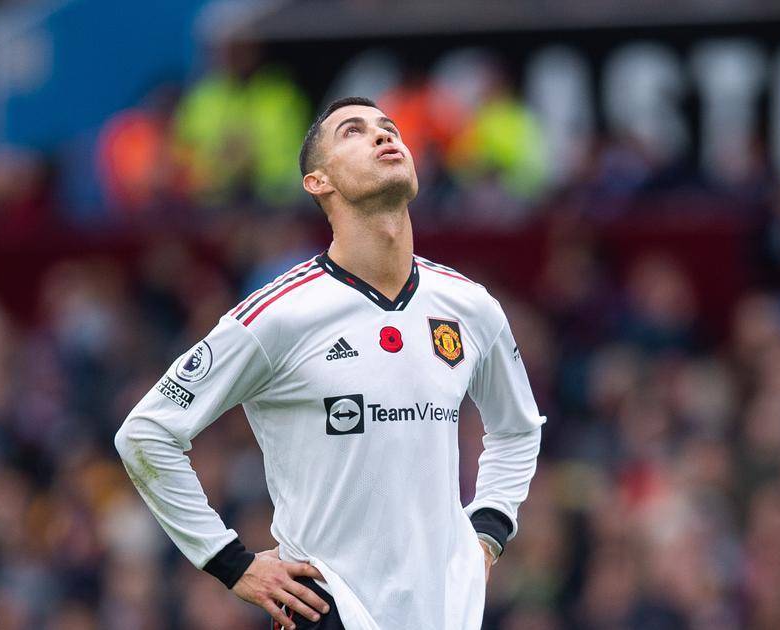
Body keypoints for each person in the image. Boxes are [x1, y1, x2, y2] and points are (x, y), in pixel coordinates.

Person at [114, 96, 546, 629]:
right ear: (318, 182)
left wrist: (489, 530)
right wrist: (231, 563)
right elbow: (146, 432)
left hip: (445, 613)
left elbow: (517, 429)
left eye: (389, 127)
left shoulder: (470, 306)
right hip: (329, 610)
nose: (384, 135)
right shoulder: (280, 315)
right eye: (353, 131)